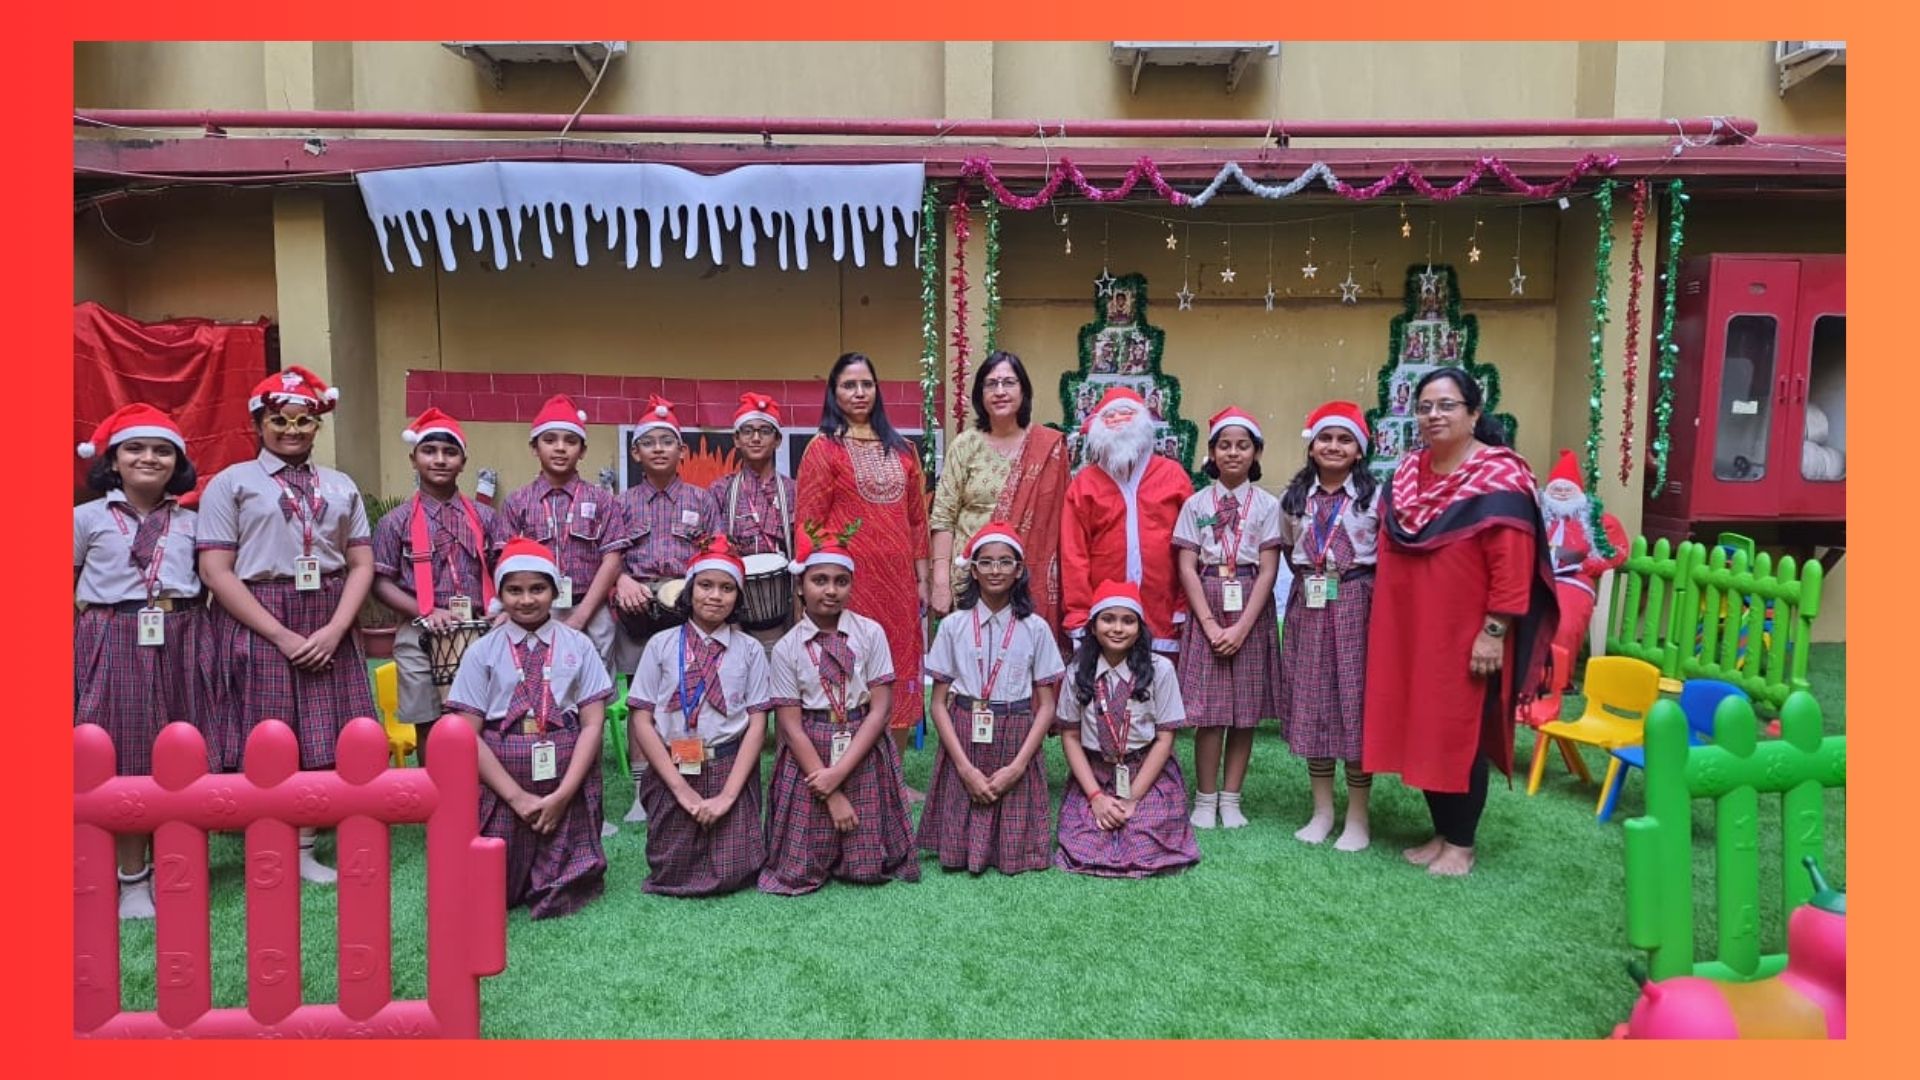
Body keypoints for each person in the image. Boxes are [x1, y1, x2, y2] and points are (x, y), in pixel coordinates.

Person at [1362, 367, 1559, 877]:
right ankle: (1442, 832)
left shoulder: (1501, 477)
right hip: (1410, 632)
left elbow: (1512, 567)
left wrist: (1493, 632)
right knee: (1422, 726)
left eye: (1447, 405)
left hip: (1467, 633)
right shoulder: (1408, 473)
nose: (1434, 415)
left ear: (1474, 414)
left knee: (1458, 731)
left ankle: (1462, 844)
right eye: (1425, 406)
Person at [196, 366, 376, 885]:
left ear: (317, 424)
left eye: (303, 420)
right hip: (259, 614)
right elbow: (215, 571)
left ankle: (304, 845)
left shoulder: (340, 485)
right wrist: (280, 634)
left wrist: (336, 629)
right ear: (259, 423)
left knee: (326, 727)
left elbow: (361, 563)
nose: (292, 430)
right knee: (268, 729)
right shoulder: (231, 483)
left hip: (329, 610)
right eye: (279, 420)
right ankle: (267, 837)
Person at [74, 404, 211, 919]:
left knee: (182, 750)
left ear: (178, 462)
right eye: (135, 448)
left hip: (184, 633)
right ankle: (131, 877)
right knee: (126, 753)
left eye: (162, 450)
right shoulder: (85, 518)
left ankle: (176, 865)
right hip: (113, 635)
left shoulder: (194, 521)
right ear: (113, 460)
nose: (149, 458)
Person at [445, 539, 612, 919]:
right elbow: (467, 734)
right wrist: (517, 798)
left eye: (537, 588)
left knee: (567, 883)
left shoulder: (579, 646)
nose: (526, 600)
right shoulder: (481, 652)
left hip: (566, 771)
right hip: (503, 779)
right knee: (494, 885)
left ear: (554, 591)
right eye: (514, 590)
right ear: (500, 595)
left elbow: (592, 724)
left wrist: (564, 795)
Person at [794, 352, 930, 795]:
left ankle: (893, 778)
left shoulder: (904, 449)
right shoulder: (823, 448)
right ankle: (848, 770)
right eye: (849, 385)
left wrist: (923, 579)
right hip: (848, 585)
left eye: (866, 384)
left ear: (877, 390)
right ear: (834, 393)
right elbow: (808, 522)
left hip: (899, 584)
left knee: (900, 668)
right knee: (850, 670)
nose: (858, 393)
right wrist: (811, 588)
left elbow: (917, 520)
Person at [758, 530, 920, 895]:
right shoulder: (787, 648)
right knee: (798, 868)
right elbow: (790, 726)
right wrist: (829, 788)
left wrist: (841, 772)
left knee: (866, 866)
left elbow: (880, 709)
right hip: (809, 749)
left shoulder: (870, 633)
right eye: (819, 580)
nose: (830, 590)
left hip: (862, 739)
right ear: (801, 587)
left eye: (841, 581)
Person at [625, 536, 771, 896]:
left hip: (727, 765)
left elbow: (757, 723)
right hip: (673, 766)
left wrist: (728, 796)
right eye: (705, 585)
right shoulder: (660, 645)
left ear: (738, 597)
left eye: (727, 588)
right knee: (671, 868)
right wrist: (682, 791)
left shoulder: (750, 650)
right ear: (689, 591)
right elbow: (641, 718)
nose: (715, 596)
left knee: (736, 870)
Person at [916, 522, 1065, 875]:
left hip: (1016, 732)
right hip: (964, 731)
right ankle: (961, 840)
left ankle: (1011, 844)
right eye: (985, 562)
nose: (995, 570)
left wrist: (1018, 766)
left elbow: (1047, 706)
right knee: (969, 793)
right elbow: (938, 704)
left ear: (1019, 570)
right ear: (973, 570)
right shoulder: (952, 626)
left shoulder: (1036, 628)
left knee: (1012, 829)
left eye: (1004, 562)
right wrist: (963, 767)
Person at [1274, 402, 1382, 851]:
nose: (1333, 446)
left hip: (1357, 602)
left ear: (1359, 450)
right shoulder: (1294, 499)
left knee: (1354, 705)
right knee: (1314, 702)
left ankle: (1357, 816)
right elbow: (1288, 549)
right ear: (1311, 446)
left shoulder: (1375, 497)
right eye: (1325, 438)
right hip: (1310, 605)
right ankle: (1322, 811)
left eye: (1344, 439)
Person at [608, 395, 717, 827]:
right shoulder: (620, 504)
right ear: (635, 452)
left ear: (682, 451)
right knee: (643, 699)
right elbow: (609, 556)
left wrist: (692, 591)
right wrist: (621, 580)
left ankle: (693, 776)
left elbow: (716, 554)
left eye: (666, 441)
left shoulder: (702, 500)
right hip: (637, 609)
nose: (658, 449)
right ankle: (642, 794)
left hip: (687, 606)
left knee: (690, 694)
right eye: (648, 442)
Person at [370, 408, 502, 764]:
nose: (440, 460)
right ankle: (436, 789)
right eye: (429, 451)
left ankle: (485, 789)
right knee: (429, 722)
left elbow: (505, 570)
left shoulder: (486, 518)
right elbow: (380, 583)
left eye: (450, 452)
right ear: (413, 458)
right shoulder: (394, 523)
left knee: (487, 718)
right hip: (418, 632)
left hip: (481, 627)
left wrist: (502, 609)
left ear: (463, 462)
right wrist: (425, 611)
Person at [1172, 407, 1282, 830]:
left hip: (1250, 605)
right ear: (1212, 453)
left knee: (1244, 710)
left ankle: (1232, 797)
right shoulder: (1196, 504)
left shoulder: (1267, 506)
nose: (1233, 453)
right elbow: (1186, 566)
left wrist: (1241, 628)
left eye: (1243, 446)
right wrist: (1210, 624)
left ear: (1256, 453)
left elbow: (1269, 570)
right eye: (1224, 445)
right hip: (1209, 599)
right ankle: (1205, 797)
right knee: (1210, 710)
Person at [1052, 581, 1200, 878]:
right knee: (1086, 841)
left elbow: (1165, 738)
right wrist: (1095, 797)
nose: (1118, 629)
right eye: (1108, 619)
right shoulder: (1077, 672)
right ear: (1093, 627)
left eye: (1128, 621)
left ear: (1140, 628)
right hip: (1096, 773)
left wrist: (1132, 798)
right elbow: (1070, 736)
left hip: (1146, 773)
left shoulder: (1160, 670)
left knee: (1146, 838)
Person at [928, 351, 1070, 642]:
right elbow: (943, 517)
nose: (1000, 391)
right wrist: (940, 582)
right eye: (991, 384)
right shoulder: (965, 445)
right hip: (971, 578)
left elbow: (1062, 523)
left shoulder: (1048, 447)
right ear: (980, 394)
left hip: (1027, 579)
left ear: (1023, 390)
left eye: (1009, 382)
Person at [497, 394, 630, 678]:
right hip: (533, 610)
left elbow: (612, 560)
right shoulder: (516, 502)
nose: (560, 448)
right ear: (534, 448)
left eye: (570, 441)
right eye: (550, 440)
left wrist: (582, 616)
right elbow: (504, 563)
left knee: (595, 683)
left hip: (592, 608)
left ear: (582, 451)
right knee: (537, 680)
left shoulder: (603, 500)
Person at [1060, 386, 1193, 655]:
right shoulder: (1084, 484)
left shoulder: (1173, 476)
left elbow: (1190, 548)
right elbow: (1074, 555)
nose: (1120, 423)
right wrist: (1079, 614)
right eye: (1112, 417)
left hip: (1163, 610)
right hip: (1105, 616)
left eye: (1127, 416)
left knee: (1162, 678)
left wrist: (1183, 605)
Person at [712, 391, 798, 650]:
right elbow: (714, 550)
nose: (756, 438)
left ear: (778, 440)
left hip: (785, 603)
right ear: (736, 439)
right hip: (735, 606)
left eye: (765, 431)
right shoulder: (720, 490)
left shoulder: (794, 490)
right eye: (748, 431)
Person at [1536, 449, 1628, 670]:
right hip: (1536, 577)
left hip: (1574, 580)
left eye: (1567, 489)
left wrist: (1586, 565)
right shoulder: (1534, 514)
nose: (1561, 494)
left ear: (1578, 493)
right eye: (1556, 489)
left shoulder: (1597, 521)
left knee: (1564, 619)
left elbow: (1615, 552)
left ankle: (1556, 675)